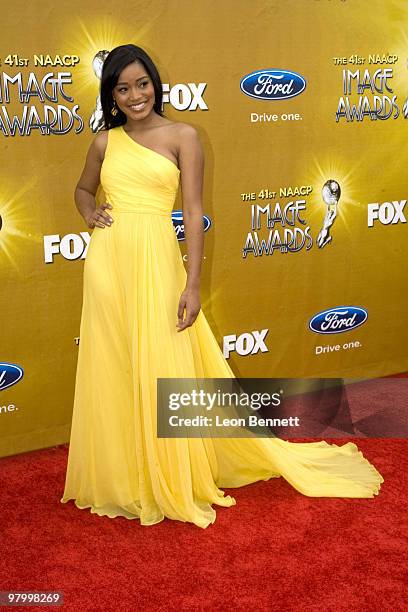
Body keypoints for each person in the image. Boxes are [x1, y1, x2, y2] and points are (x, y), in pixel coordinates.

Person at [60, 44, 384, 529]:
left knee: (162, 363)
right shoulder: (105, 143)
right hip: (108, 264)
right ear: (111, 95)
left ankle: (169, 475)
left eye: (141, 83)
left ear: (155, 83)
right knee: (113, 362)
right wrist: (88, 211)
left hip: (157, 261)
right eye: (122, 88)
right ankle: (124, 475)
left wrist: (192, 283)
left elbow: (192, 213)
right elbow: (83, 189)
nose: (135, 95)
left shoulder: (184, 136)